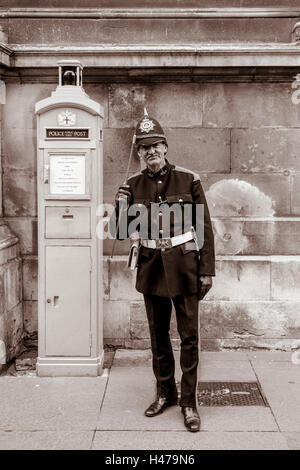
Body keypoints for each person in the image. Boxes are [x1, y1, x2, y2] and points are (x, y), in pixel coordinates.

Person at [113, 111, 215, 432]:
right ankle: (165, 393)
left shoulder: (188, 179)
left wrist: (206, 270)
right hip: (151, 267)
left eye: (156, 144)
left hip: (185, 268)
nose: (151, 151)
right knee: (158, 338)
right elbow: (119, 231)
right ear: (139, 153)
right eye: (144, 147)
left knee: (188, 337)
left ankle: (189, 403)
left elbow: (205, 229)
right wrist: (120, 202)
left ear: (165, 147)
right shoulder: (132, 184)